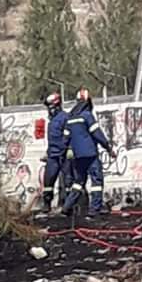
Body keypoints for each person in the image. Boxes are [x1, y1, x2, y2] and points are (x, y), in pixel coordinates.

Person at [61, 88, 115, 219]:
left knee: (79, 181)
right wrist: (108, 147)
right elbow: (97, 134)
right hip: (90, 155)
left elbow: (65, 138)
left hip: (77, 156)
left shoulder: (70, 118)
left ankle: (67, 206)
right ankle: (94, 210)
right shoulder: (87, 116)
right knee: (97, 181)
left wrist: (66, 152)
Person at [40, 92, 71, 212]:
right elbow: (52, 139)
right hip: (52, 155)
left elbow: (69, 136)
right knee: (48, 180)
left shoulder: (65, 118)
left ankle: (68, 205)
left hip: (63, 155)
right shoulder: (52, 121)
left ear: (57, 106)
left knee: (68, 181)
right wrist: (48, 152)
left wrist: (69, 149)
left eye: (51, 107)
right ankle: (46, 203)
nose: (49, 110)